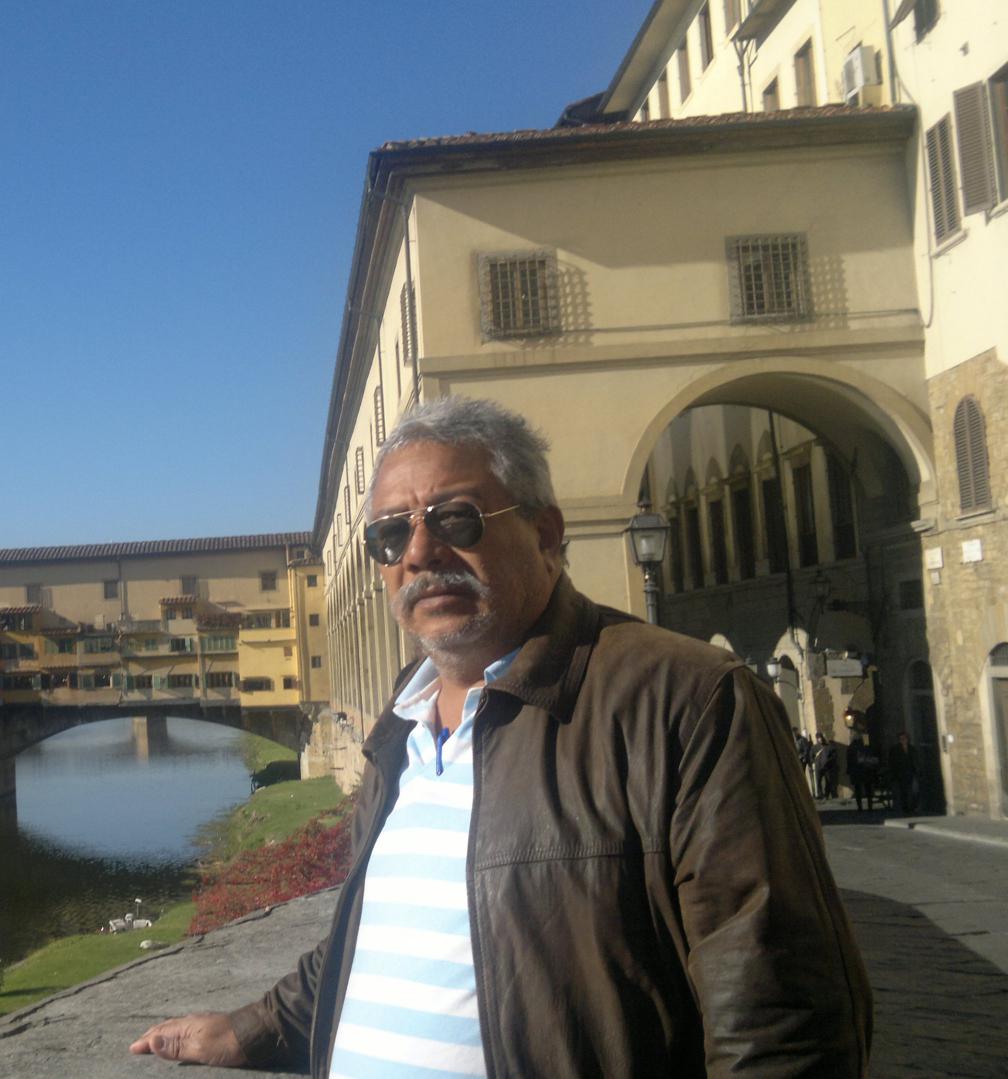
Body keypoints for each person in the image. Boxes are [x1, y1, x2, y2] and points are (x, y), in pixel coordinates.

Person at [129, 396, 870, 1077]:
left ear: (545, 532)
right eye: (392, 535)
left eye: (454, 518)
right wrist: (248, 1030)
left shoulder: (687, 698)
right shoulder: (403, 722)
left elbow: (783, 1021)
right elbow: (379, 937)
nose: (419, 554)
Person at [847, 729, 882, 812]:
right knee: (868, 788)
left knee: (858, 789)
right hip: (865, 769)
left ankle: (860, 807)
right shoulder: (865, 745)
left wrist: (849, 770)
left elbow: (849, 759)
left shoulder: (851, 747)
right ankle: (869, 806)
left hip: (857, 770)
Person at [888, 732, 920, 815]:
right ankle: (906, 809)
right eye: (901, 739)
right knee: (904, 792)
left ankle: (913, 807)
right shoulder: (895, 749)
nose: (903, 740)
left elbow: (915, 760)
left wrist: (917, 770)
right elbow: (892, 762)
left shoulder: (912, 749)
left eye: (905, 738)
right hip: (901, 774)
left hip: (911, 773)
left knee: (914, 791)